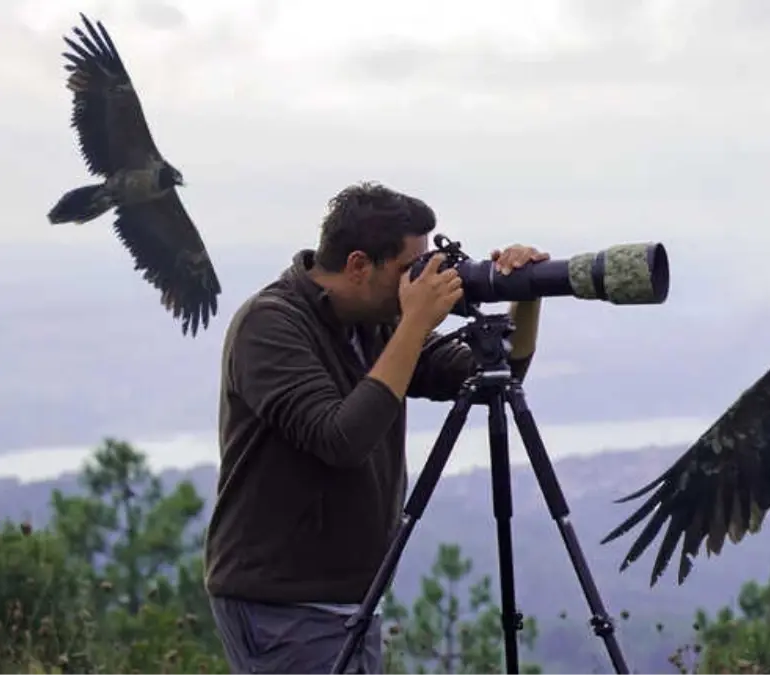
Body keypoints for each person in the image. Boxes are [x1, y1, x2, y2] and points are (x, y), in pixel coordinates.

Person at [203, 181, 548, 674]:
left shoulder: (374, 322)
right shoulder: (270, 325)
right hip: (281, 602)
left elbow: (491, 373)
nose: (423, 280)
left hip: (350, 601)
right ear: (359, 265)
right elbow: (342, 438)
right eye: (410, 268)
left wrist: (525, 296)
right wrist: (414, 323)